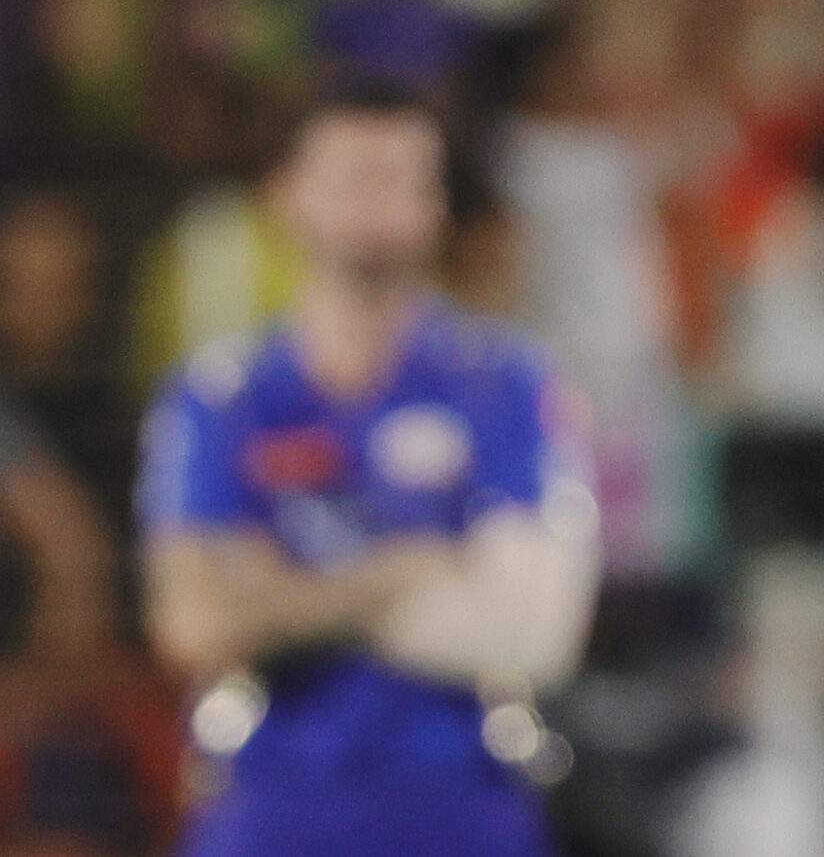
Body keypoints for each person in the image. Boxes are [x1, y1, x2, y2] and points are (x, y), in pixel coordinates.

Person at [138, 85, 601, 857]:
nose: (384, 208)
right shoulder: (221, 395)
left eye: (408, 181)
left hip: (463, 798)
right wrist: (410, 570)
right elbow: (195, 622)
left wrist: (283, 590)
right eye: (358, 178)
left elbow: (537, 634)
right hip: (270, 803)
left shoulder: (508, 382)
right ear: (286, 194)